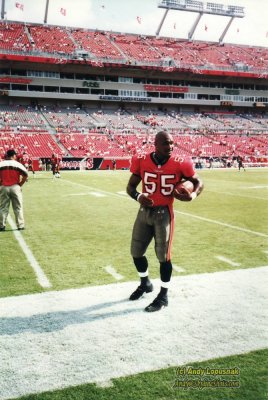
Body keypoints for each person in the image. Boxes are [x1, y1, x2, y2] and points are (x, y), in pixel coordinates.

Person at [126, 131, 203, 312]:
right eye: (166, 143)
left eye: (172, 143)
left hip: (164, 214)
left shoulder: (181, 163)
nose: (170, 147)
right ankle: (145, 283)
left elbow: (198, 181)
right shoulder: (141, 160)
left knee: (164, 256)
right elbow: (130, 187)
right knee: (136, 252)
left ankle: (163, 295)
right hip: (144, 212)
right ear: (156, 144)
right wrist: (138, 197)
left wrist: (192, 195)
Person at [0, 149, 28, 231]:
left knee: (3, 207)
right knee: (18, 207)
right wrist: (20, 184)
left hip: (4, 187)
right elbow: (25, 175)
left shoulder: (1, 164)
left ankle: (1, 226)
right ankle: (20, 225)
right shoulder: (18, 164)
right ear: (13, 155)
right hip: (15, 187)